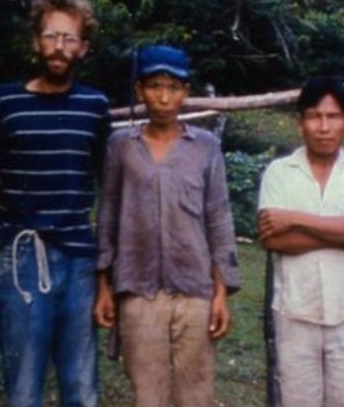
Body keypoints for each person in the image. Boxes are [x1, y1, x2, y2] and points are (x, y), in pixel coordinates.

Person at [0, 0, 110, 407]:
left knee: (81, 389)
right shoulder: (7, 101)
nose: (59, 47)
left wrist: (105, 276)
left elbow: (110, 189)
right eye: (51, 36)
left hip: (81, 263)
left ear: (83, 48)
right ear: (36, 41)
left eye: (69, 39)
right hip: (22, 259)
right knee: (24, 390)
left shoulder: (94, 106)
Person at [94, 44, 240, 407]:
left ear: (186, 92)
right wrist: (103, 286)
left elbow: (219, 219)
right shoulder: (121, 146)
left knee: (195, 394)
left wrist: (221, 292)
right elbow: (107, 217)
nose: (163, 97)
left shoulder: (205, 147)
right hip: (138, 292)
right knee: (148, 394)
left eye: (173, 87)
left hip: (195, 291)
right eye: (155, 86)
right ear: (139, 90)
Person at [258, 76, 344, 407]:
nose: (324, 127)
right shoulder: (279, 172)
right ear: (300, 123)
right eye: (314, 116)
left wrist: (296, 218)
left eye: (333, 116)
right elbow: (273, 238)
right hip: (294, 315)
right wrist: (343, 239)